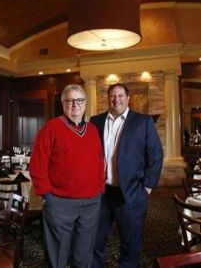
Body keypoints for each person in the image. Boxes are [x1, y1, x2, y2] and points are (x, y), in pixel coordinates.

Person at [30, 84, 105, 268]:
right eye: (70, 101)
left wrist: (100, 189)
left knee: (84, 253)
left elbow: (99, 161)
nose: (75, 105)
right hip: (60, 203)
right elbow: (37, 165)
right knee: (57, 256)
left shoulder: (93, 130)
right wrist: (48, 196)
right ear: (63, 104)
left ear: (85, 104)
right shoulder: (51, 128)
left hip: (91, 202)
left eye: (79, 100)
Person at [91, 84, 163, 268]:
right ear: (108, 98)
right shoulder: (95, 121)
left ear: (128, 98)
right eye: (113, 96)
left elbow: (155, 154)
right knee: (94, 240)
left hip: (131, 193)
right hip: (101, 193)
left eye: (121, 95)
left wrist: (147, 187)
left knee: (130, 244)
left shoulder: (143, 121)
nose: (117, 99)